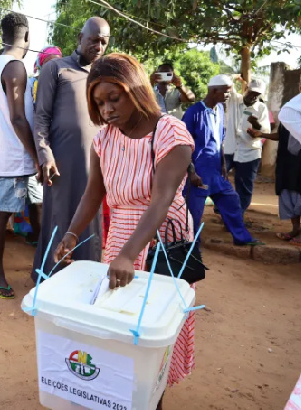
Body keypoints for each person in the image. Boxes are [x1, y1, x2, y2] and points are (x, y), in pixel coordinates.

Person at [53, 54, 196, 408]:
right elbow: (93, 193)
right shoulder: (104, 139)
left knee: (154, 329)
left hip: (165, 239)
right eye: (99, 103)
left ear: (135, 89)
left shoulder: (171, 133)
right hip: (121, 237)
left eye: (113, 99)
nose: (106, 110)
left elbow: (161, 199)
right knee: (117, 324)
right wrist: (72, 234)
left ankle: (152, 398)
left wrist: (129, 254)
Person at [32, 17, 110, 279]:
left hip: (96, 162)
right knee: (59, 218)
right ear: (80, 38)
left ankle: (86, 278)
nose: (98, 46)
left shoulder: (104, 77)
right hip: (61, 163)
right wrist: (45, 156)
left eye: (103, 42)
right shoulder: (56, 69)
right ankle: (51, 279)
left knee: (91, 219)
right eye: (93, 40)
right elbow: (41, 117)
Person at [0, 13, 40, 298]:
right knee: (2, 213)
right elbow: (18, 119)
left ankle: (39, 264)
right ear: (27, 37)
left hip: (5, 151)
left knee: (30, 207)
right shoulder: (15, 66)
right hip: (14, 154)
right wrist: (36, 156)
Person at [182, 75, 261, 246]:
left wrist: (223, 164)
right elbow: (183, 145)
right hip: (198, 173)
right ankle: (191, 246)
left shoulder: (219, 110)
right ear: (214, 90)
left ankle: (241, 238)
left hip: (216, 172)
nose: (228, 96)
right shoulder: (194, 112)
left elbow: (220, 140)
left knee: (231, 201)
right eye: (226, 92)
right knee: (193, 213)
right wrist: (191, 171)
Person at [248, 75, 301, 244]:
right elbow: (281, 134)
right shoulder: (291, 108)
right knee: (288, 191)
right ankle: (294, 229)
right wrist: (262, 134)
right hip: (288, 160)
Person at [19, 45, 62, 245]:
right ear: (40, 65)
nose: (53, 67)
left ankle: (52, 238)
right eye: (48, 63)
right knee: (37, 198)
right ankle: (39, 239)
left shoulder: (66, 83)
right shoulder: (30, 84)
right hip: (36, 147)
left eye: (57, 61)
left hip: (60, 147)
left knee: (55, 196)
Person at [223, 77, 271, 213]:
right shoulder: (234, 100)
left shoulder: (261, 108)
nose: (253, 96)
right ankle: (222, 208)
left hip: (249, 152)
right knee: (218, 178)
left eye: (257, 94)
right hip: (229, 149)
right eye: (251, 92)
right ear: (246, 89)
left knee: (244, 186)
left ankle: (237, 215)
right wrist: (236, 77)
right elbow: (226, 82)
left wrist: (256, 126)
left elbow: (264, 131)